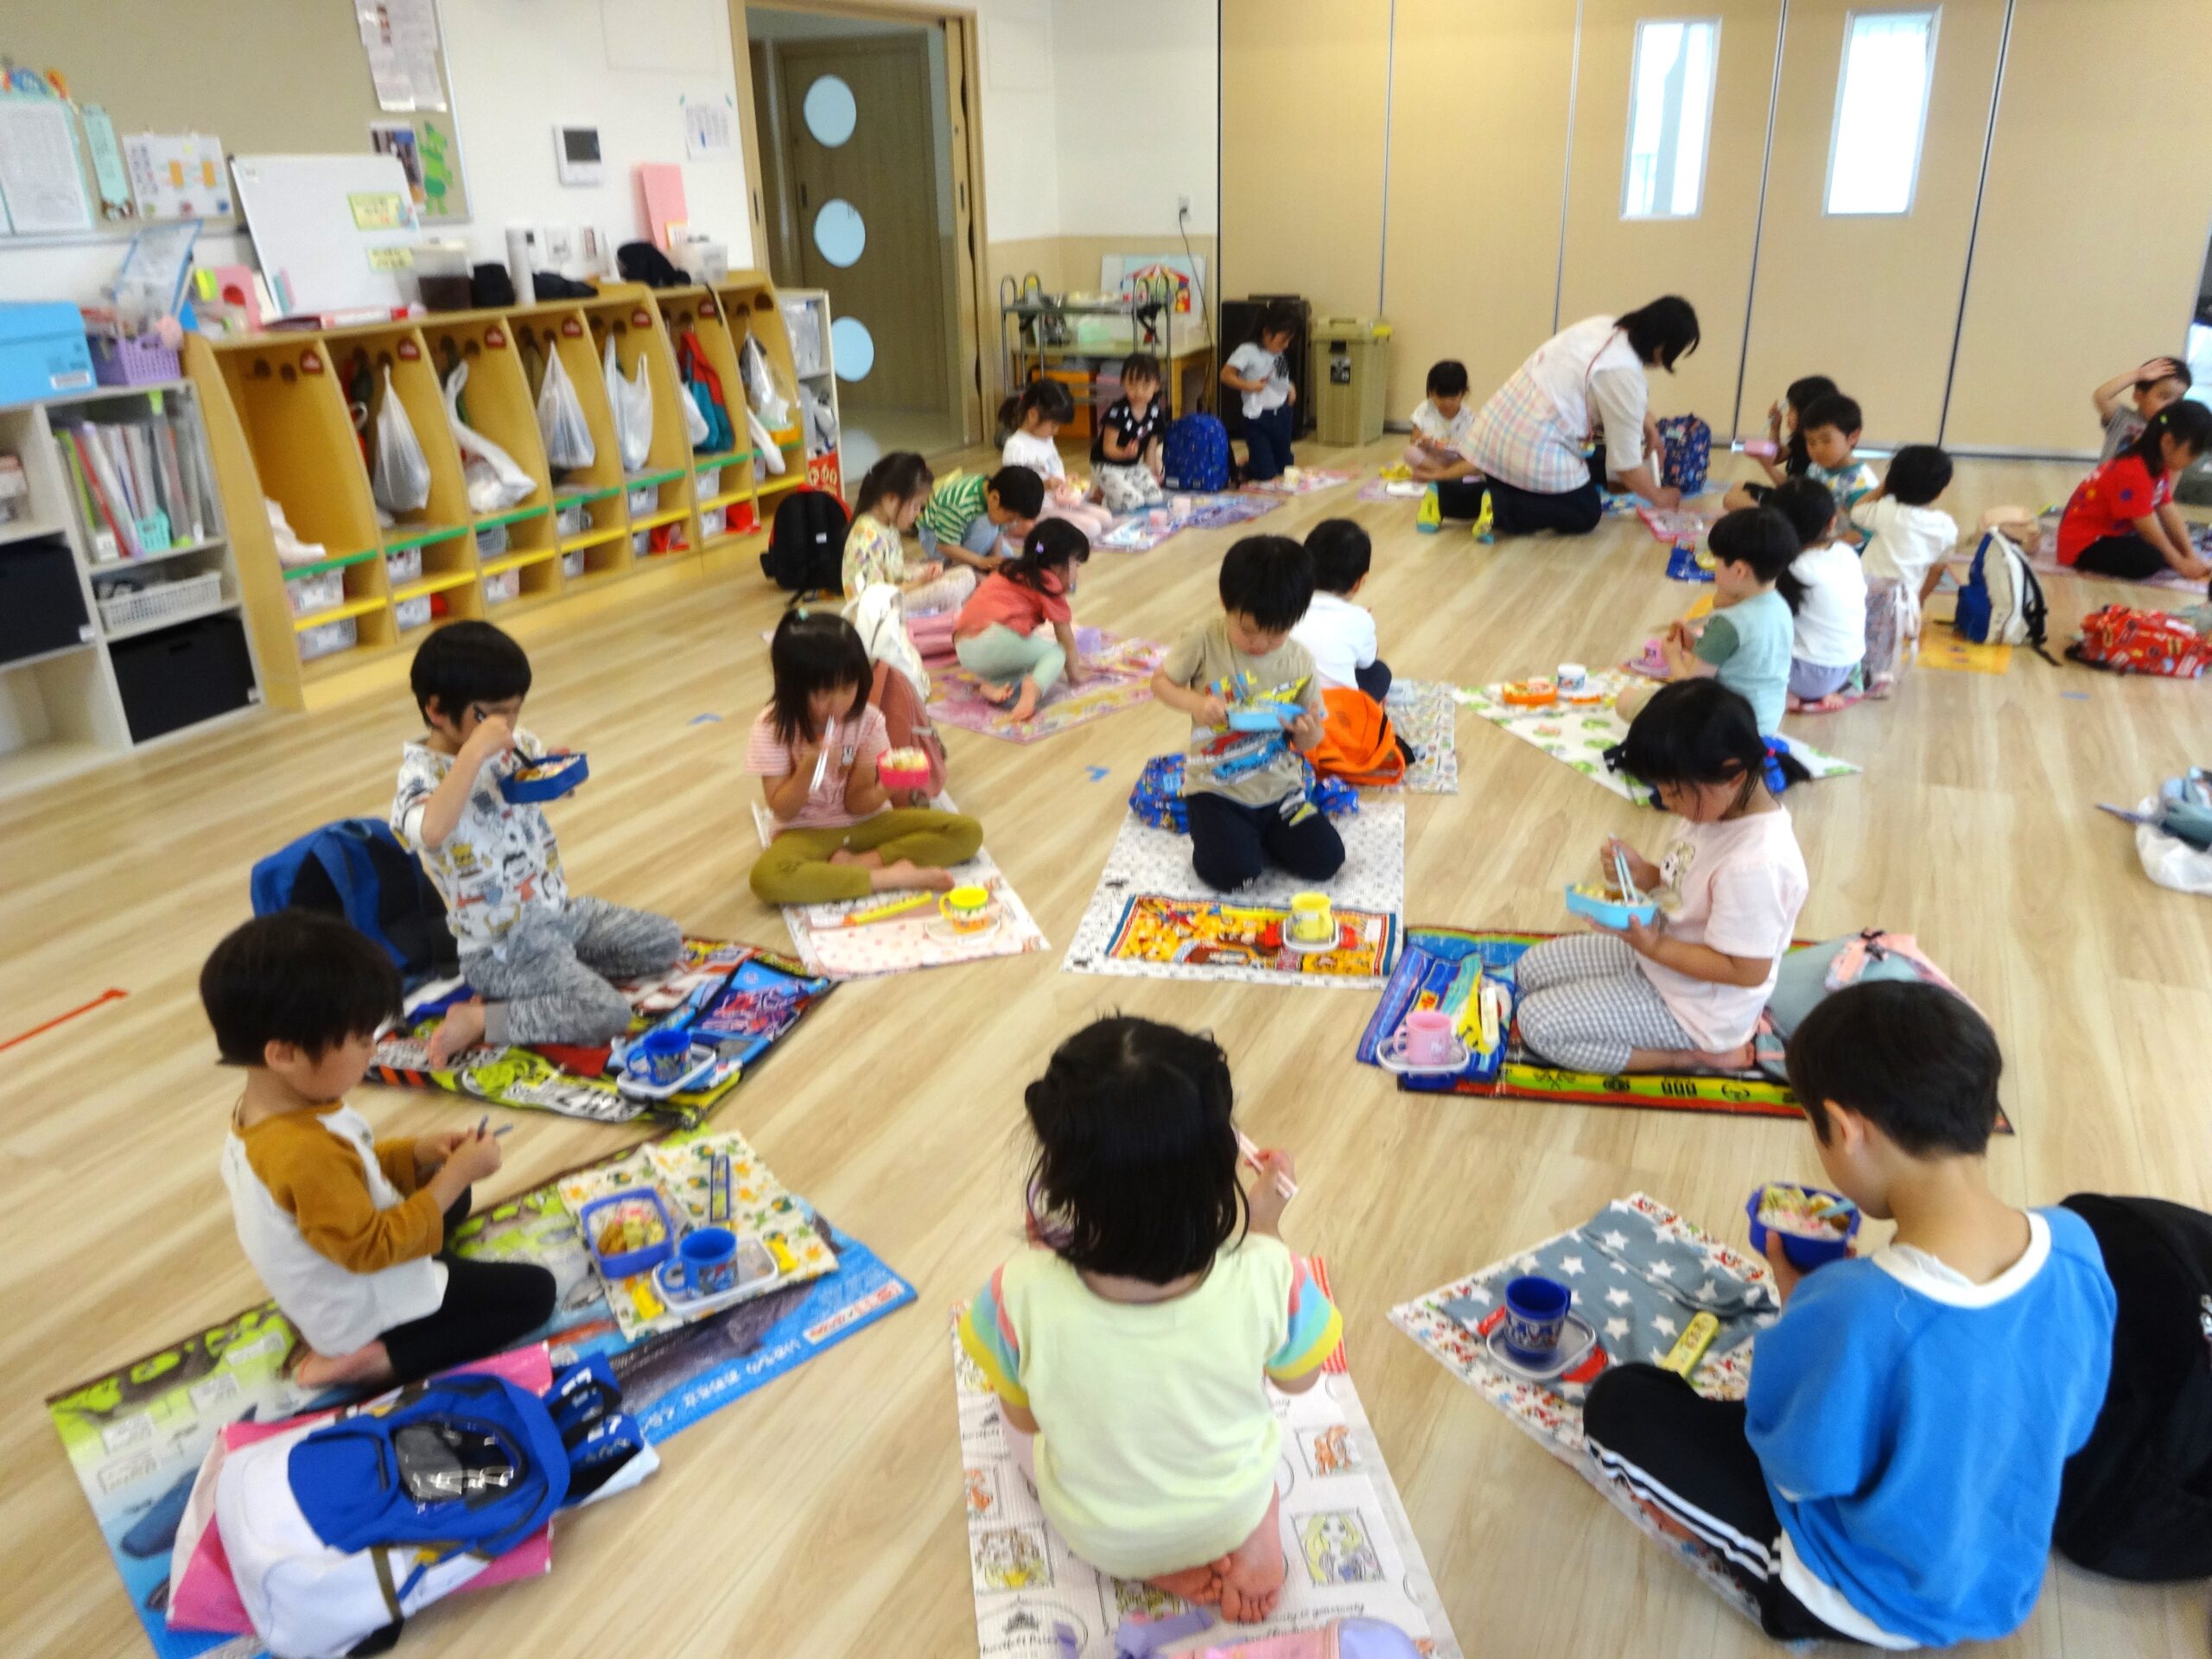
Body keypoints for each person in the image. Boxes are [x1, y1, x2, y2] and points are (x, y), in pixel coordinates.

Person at [1583, 982, 2117, 1647]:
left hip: (1858, 1593)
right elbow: (2072, 1423)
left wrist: (1804, 1317)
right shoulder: (2074, 1246)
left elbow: (1797, 1467)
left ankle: (1782, 1586)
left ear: (1844, 1128)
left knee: (1620, 1404)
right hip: (1997, 1581)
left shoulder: (1856, 1309)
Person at [957, 1016, 1339, 1623]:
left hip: (1102, 1537)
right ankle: (1259, 1525)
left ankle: (1148, 1563)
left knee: (1014, 1425)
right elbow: (1301, 1381)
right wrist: (1264, 1230)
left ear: (1059, 1183)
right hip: (1231, 1508)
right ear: (1219, 1172)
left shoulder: (1016, 1289)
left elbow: (1026, 1418)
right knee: (1248, 1446)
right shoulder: (1271, 1272)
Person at [203, 911, 556, 1392]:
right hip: (360, 1307)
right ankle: (379, 1361)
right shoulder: (300, 1153)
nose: (373, 1050)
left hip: (334, 1269)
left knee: (454, 1194)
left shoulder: (270, 1109)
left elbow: (353, 1166)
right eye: (360, 1039)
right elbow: (374, 1248)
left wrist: (420, 1154)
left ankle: (418, 1265)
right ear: (284, 1054)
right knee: (534, 1295)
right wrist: (455, 1174)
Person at [392, 621, 681, 1065]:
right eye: (493, 715)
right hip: (500, 949)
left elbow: (526, 789)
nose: (507, 727)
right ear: (436, 710)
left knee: (665, 941)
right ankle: (481, 1020)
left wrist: (552, 771)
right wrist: (473, 754)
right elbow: (431, 829)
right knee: (607, 1012)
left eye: (515, 711)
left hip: (558, 916)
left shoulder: (510, 743)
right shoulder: (419, 777)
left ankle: (555, 981)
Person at [1516, 679, 1806, 1076]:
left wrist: (1655, 946)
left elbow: (1746, 970)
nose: (1667, 803)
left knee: (1538, 1024)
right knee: (1531, 969)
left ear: (1732, 775)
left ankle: (1694, 1056)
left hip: (1695, 1010)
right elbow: (1687, 891)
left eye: (1674, 792)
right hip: (1662, 960)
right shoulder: (1716, 809)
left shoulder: (1756, 866)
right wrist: (1644, 872)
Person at [746, 608, 982, 905]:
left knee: (966, 832)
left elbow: (857, 803)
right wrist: (807, 768)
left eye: (847, 688)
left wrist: (888, 786)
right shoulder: (771, 727)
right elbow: (783, 811)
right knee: (767, 878)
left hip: (867, 823)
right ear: (791, 688)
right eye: (822, 694)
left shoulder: (868, 721)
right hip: (805, 832)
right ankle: (890, 877)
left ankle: (861, 864)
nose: (837, 704)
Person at [1151, 536, 1344, 892]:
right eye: (1249, 631)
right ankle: (1239, 840)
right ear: (1226, 602)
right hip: (1216, 789)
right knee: (1234, 876)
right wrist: (1196, 704)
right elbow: (1160, 683)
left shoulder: (1299, 661)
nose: (1260, 644)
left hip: (1281, 790)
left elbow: (1310, 739)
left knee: (1327, 861)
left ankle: (1257, 838)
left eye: (1276, 634)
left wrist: (1307, 731)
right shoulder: (1204, 638)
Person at [1451, 296, 1699, 536]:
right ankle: (1500, 506)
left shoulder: (1603, 325)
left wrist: (1651, 430)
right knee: (1584, 510)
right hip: (1531, 441)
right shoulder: (1624, 374)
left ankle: (1445, 498)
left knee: (1593, 464)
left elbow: (1620, 399)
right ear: (1661, 346)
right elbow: (1627, 466)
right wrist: (1658, 496)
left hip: (1496, 428)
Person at [1621, 506, 1798, 738]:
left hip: (1723, 730)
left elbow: (1692, 691)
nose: (1714, 570)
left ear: (1739, 570)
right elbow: (1745, 660)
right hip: (1765, 723)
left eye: (1717, 562)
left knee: (1626, 700)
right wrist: (1695, 646)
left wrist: (1672, 656)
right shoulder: (1780, 606)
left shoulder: (1728, 622)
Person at [2055, 401, 2212, 582]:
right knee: (2151, 558)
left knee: (2169, 543)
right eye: (2193, 454)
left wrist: (2190, 554)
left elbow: (2167, 508)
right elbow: (2147, 527)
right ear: (2168, 441)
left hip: (2114, 533)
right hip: (2084, 544)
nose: (2194, 461)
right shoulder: (2132, 470)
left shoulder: (2158, 464)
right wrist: (2180, 563)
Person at [953, 519, 1091, 722]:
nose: (1077, 574)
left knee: (1025, 661)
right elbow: (1066, 640)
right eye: (1076, 565)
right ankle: (1031, 693)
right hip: (992, 639)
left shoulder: (1009, 569)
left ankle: (993, 685)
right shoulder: (1049, 584)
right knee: (1056, 652)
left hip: (964, 649)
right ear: (1057, 565)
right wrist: (1075, 677)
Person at [1847, 442, 1960, 692]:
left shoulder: (1886, 511)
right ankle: (1877, 679)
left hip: (1862, 592)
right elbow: (1937, 570)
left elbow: (1857, 512)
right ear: (1939, 491)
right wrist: (1919, 601)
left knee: (1854, 633)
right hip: (1902, 602)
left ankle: (1847, 674)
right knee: (1886, 643)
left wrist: (1883, 487)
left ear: (1892, 482)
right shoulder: (1945, 526)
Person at [1770, 477, 1866, 712]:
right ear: (1832, 522)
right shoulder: (1846, 553)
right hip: (1848, 669)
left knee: (1738, 643)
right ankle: (1820, 691)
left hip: (1804, 674)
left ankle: (1786, 693)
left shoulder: (1790, 568)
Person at [843, 451, 977, 614]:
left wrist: (923, 570)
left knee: (966, 575)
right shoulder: (865, 539)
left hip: (899, 592)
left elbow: (895, 567)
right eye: (916, 506)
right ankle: (946, 616)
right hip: (881, 611)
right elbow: (873, 599)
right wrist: (920, 583)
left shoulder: (886, 525)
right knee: (949, 590)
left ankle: (945, 613)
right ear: (891, 499)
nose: (917, 513)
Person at [999, 379, 1116, 536]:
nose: (1056, 431)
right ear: (1033, 415)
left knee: (1106, 518)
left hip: (1060, 503)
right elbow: (1014, 490)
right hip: (1038, 511)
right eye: (1053, 425)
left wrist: (1066, 480)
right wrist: (1045, 485)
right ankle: (1024, 529)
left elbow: (1049, 469)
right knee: (1092, 528)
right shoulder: (1016, 446)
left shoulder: (1046, 439)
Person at [1291, 518, 1389, 699]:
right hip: (1338, 709)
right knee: (1380, 672)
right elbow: (1367, 661)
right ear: (1360, 581)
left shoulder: (1285, 606)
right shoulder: (1360, 619)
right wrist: (1366, 627)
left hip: (1285, 702)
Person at [1721, 373, 1838, 510]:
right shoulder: (1801, 438)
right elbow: (1777, 457)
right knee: (1738, 487)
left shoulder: (1816, 451)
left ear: (1807, 411)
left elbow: (1795, 491)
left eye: (1792, 409)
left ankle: (1766, 520)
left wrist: (1768, 467)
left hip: (1798, 505)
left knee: (1731, 500)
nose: (1788, 414)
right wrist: (1775, 427)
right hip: (1789, 496)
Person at [1220, 302, 1300, 483]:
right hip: (1258, 418)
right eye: (1283, 340)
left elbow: (1280, 377)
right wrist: (1249, 385)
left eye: (1289, 340)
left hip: (1281, 415)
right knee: (1266, 474)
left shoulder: (1278, 352)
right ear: (1266, 332)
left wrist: (1290, 386)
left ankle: (1257, 460)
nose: (1286, 345)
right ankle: (1247, 466)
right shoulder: (1247, 351)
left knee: (1285, 467)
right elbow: (1225, 375)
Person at [918, 464, 1045, 570]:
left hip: (962, 531)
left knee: (1007, 556)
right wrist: (980, 561)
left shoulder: (999, 497)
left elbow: (999, 530)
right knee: (988, 525)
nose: (1010, 523)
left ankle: (971, 565)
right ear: (994, 498)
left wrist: (995, 558)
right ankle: (959, 568)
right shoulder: (959, 504)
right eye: (1010, 518)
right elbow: (945, 545)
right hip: (935, 539)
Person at [1092, 351, 1171, 512]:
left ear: (1157, 385)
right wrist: (1124, 454)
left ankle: (1113, 489)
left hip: (1131, 465)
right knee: (1132, 501)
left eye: (1145, 386)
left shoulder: (1156, 413)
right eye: (1132, 385)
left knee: (1155, 497)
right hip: (1106, 465)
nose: (1138, 392)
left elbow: (1150, 450)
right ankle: (1101, 496)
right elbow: (1108, 449)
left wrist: (1150, 475)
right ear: (1123, 382)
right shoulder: (1117, 412)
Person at [1796, 393, 1878, 538]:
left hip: (1842, 549)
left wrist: (1822, 546)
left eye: (1826, 441)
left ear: (1853, 436)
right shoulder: (1815, 468)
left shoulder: (1862, 484)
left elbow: (1862, 535)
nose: (1818, 449)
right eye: (1811, 442)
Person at [2091, 354, 2193, 463]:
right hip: (2111, 474)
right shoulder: (2123, 418)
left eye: (2178, 400)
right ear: (2139, 396)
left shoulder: (2169, 432)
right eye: (2165, 397)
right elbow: (2101, 397)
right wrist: (2138, 375)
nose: (2171, 406)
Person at [1404, 359, 1478, 483]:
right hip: (1433, 459)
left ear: (1464, 393)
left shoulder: (1468, 416)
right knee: (1410, 452)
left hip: (1457, 460)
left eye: (1453, 399)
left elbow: (1473, 447)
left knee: (1477, 462)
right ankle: (1450, 474)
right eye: (1440, 398)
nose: (1447, 403)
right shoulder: (1425, 410)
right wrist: (1422, 441)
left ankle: (1437, 475)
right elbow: (1414, 440)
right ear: (1431, 392)